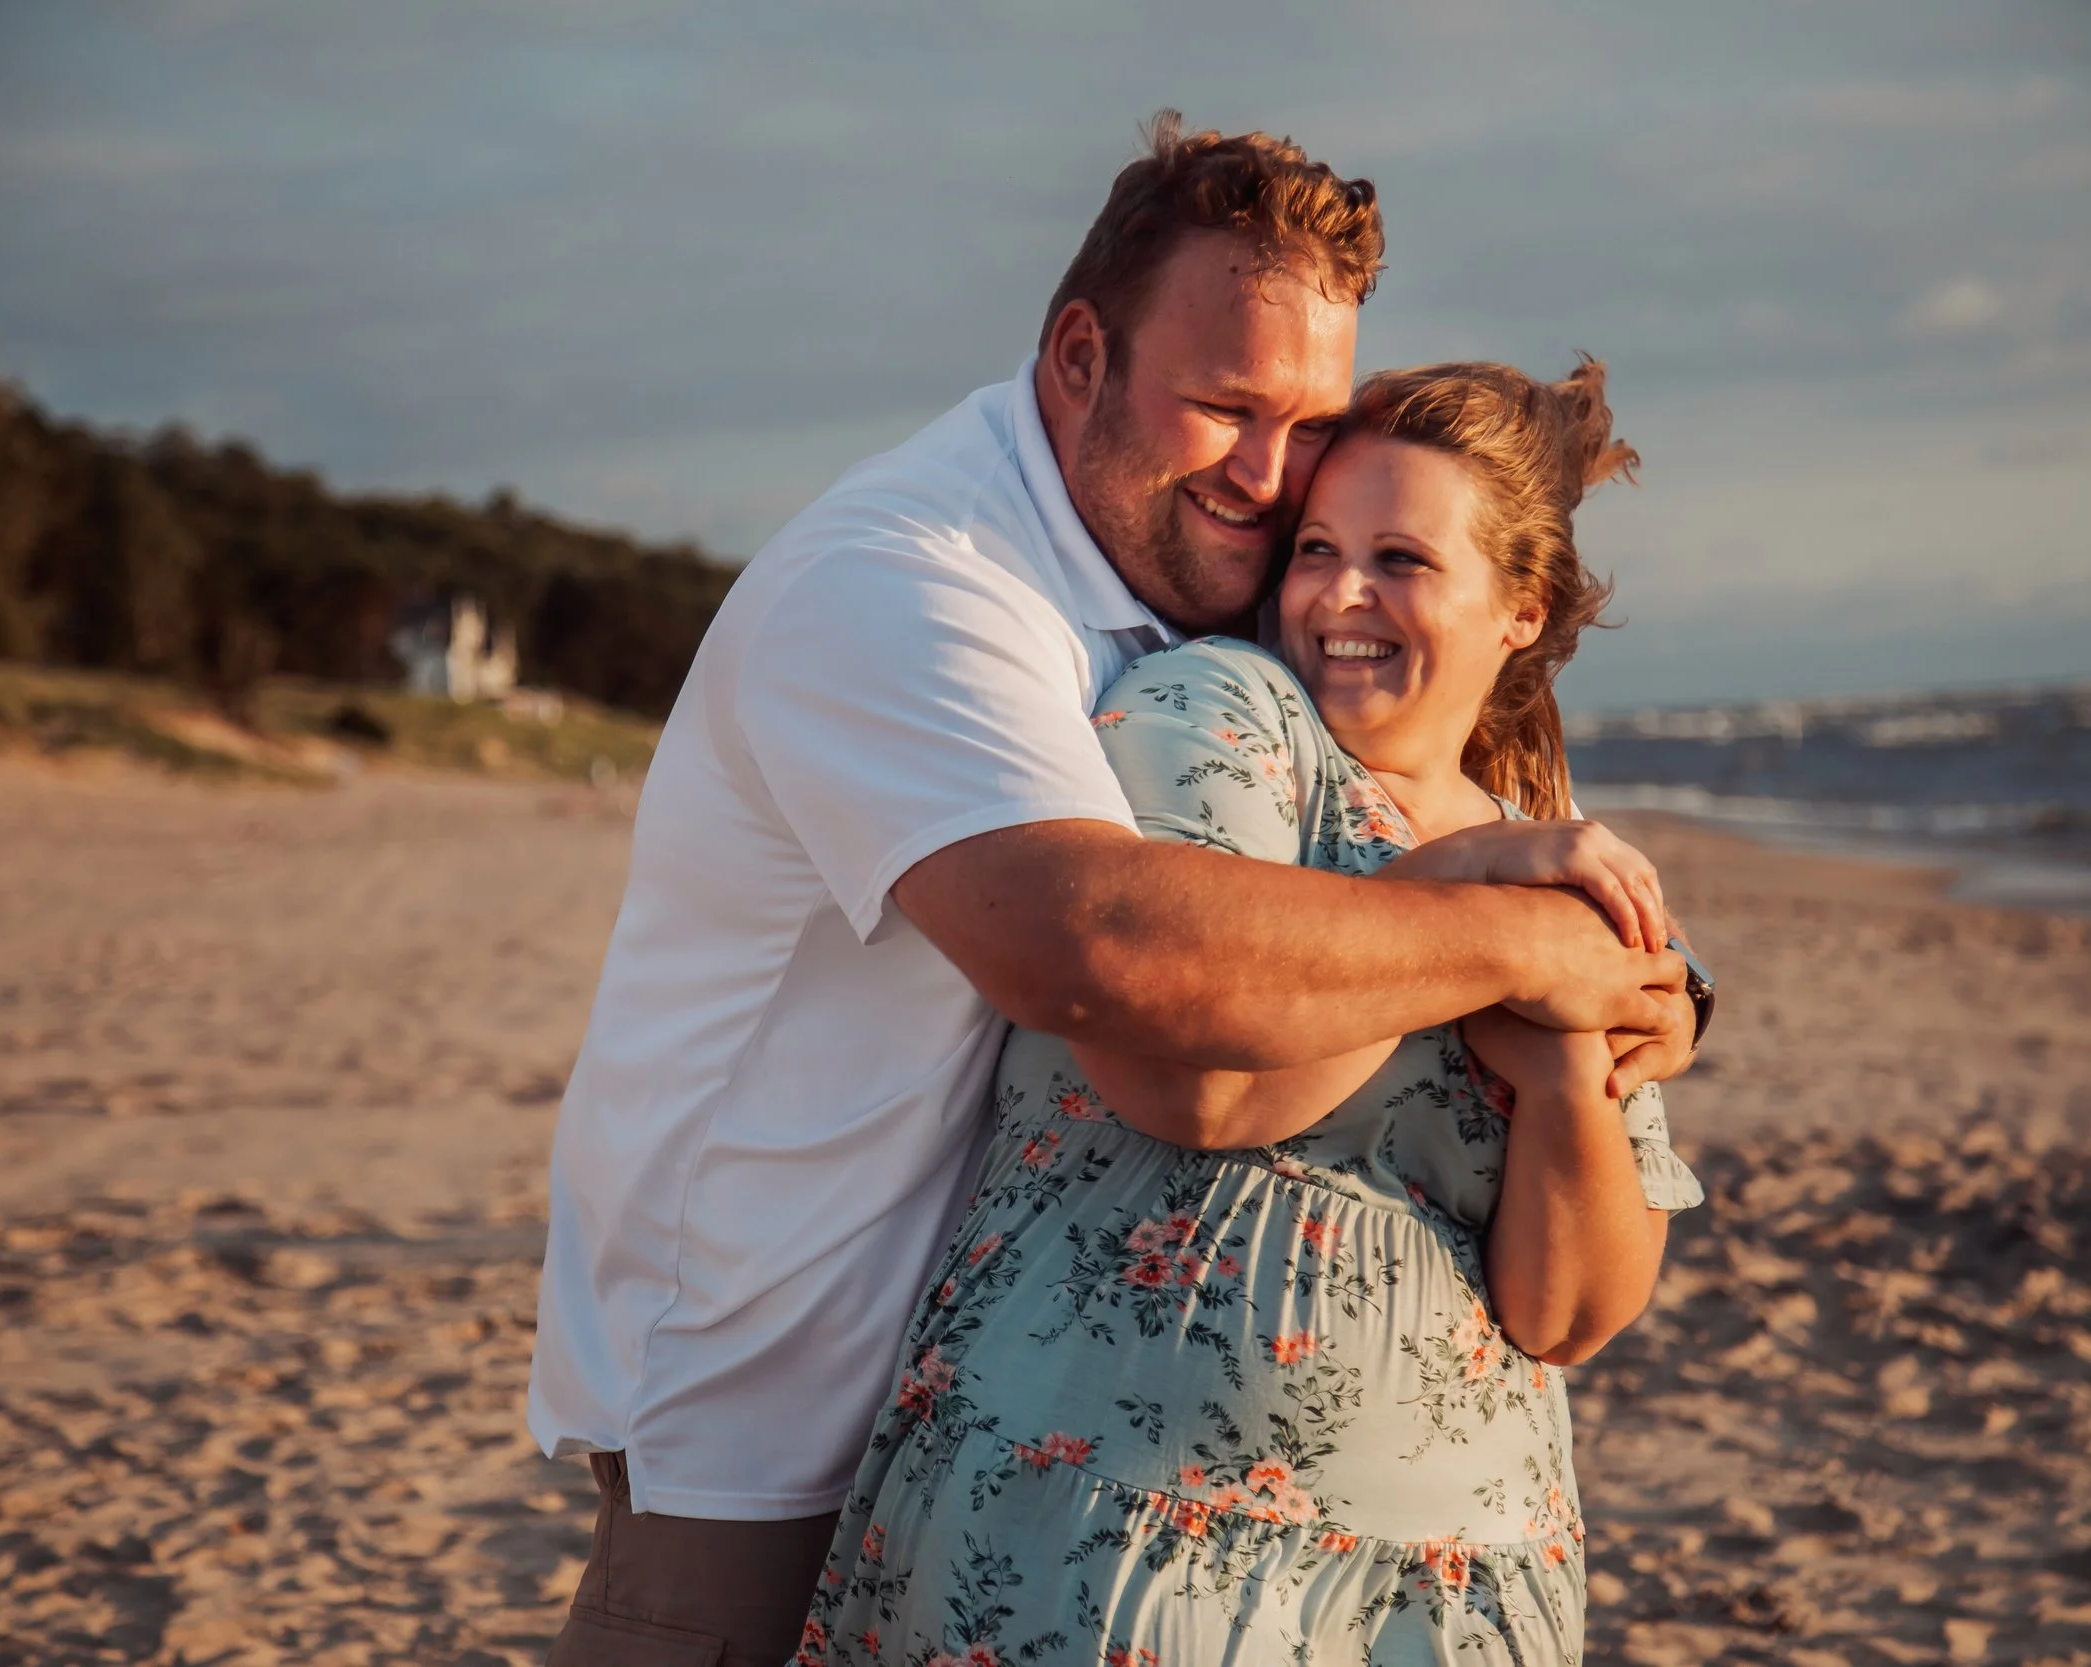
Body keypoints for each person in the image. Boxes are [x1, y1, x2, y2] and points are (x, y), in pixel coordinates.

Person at [532, 116, 1695, 1667]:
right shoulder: (910, 582)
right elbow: (1106, 953)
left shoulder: (1159, 587)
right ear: (1079, 355)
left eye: (1308, 421)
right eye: (1227, 407)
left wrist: (1632, 994)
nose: (1275, 481)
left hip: (979, 1406)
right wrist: (1510, 932)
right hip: (769, 1428)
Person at [795, 358, 1696, 1667]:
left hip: (1444, 1590)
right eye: (1318, 548)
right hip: (1126, 1537)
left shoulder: (1560, 868)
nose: (1338, 594)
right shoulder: (1229, 712)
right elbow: (1208, 1084)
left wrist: (1561, 1073)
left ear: (1521, 605)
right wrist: (1471, 923)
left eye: (1399, 558)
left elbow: (1571, 1315)